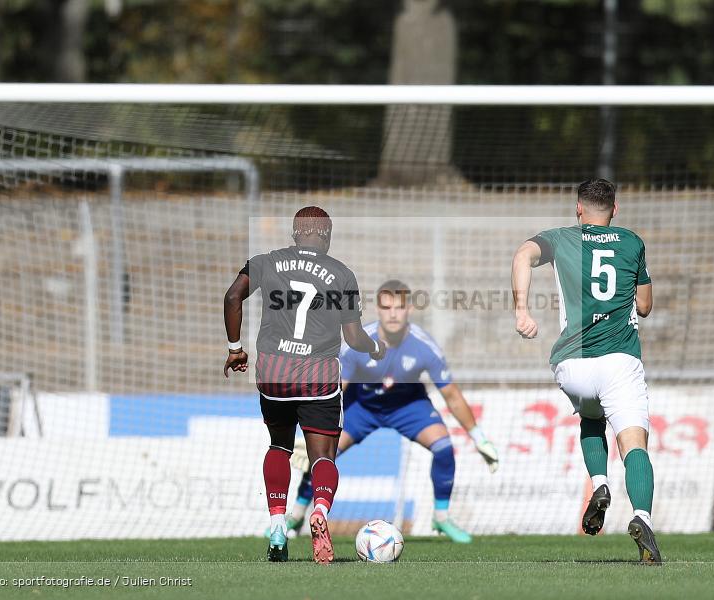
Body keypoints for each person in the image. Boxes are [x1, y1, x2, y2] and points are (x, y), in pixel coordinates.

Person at [223, 206, 386, 564]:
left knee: (279, 446)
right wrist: (374, 348)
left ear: (295, 233)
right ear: (326, 235)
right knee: (323, 457)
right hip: (317, 378)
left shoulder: (266, 261)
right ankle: (320, 512)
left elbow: (233, 296)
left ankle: (278, 526)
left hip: (273, 374)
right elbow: (355, 337)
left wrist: (236, 349)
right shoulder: (342, 274)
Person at [510, 178, 660, 565]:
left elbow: (522, 255)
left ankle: (600, 484)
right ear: (615, 209)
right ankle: (641, 518)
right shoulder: (631, 242)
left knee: (591, 418)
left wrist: (522, 310)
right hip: (619, 360)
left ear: (579, 208)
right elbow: (644, 306)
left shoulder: (561, 238)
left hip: (572, 364)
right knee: (634, 445)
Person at [286, 280, 499, 543]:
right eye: (387, 308)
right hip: (361, 407)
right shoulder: (358, 343)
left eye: (399, 307)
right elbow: (333, 390)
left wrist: (479, 437)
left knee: (444, 447)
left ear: (409, 308)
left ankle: (441, 518)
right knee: (322, 453)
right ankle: (295, 516)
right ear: (378, 309)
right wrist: (311, 431)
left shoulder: (425, 346)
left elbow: (451, 395)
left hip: (407, 406)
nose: (393, 314)